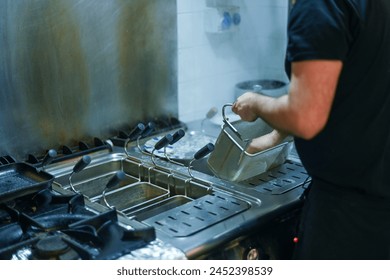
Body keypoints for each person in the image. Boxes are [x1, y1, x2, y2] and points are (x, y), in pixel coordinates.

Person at [232, 0, 390, 259]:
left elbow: (306, 115)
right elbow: (354, 86)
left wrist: (257, 103)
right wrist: (276, 135)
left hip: (349, 220)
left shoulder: (320, 5)